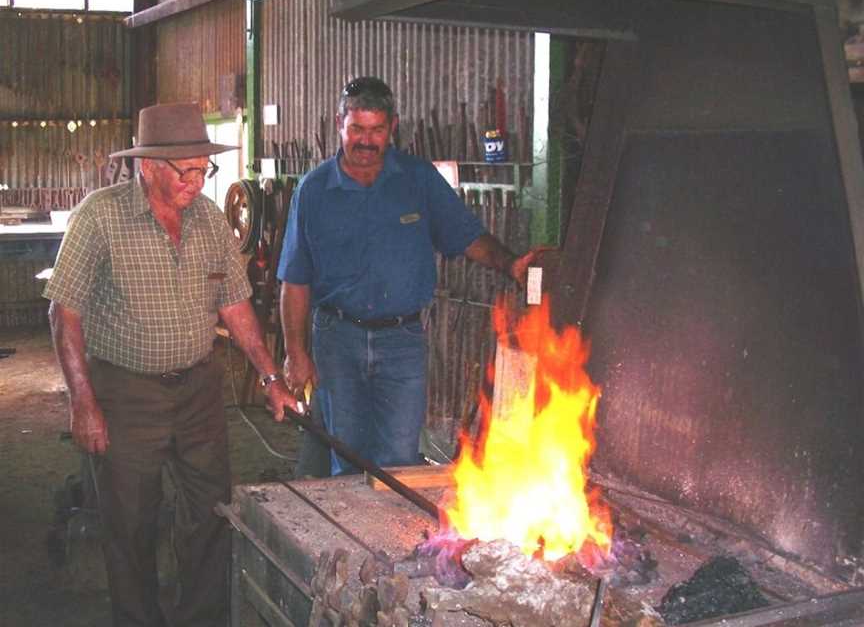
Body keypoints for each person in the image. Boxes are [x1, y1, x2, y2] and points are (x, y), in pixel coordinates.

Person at [44, 102, 296, 627]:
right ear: (148, 167)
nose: (196, 182)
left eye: (204, 170)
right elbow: (63, 312)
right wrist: (83, 404)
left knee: (210, 514)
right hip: (126, 393)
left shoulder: (207, 219)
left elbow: (235, 304)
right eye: (186, 171)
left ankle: (201, 617)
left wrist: (271, 376)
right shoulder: (101, 215)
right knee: (131, 523)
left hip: (199, 392)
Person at [278, 76, 543, 476]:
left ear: (392, 128)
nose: (366, 141)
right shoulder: (313, 191)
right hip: (337, 339)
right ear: (339, 124)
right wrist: (295, 352)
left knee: (399, 460)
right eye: (356, 129)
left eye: (377, 130)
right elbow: (294, 279)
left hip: (402, 342)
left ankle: (383, 540)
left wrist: (510, 264)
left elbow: (466, 237)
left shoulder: (417, 180)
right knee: (346, 454)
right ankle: (348, 539)